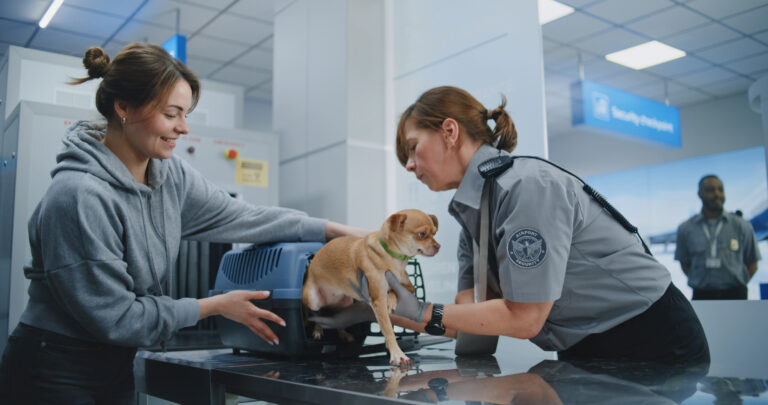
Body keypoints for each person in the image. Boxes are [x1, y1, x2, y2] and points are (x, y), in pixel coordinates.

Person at [0, 43, 368, 404]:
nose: (184, 128)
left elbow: (241, 216)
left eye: (186, 114)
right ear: (123, 107)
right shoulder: (80, 195)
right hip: (54, 365)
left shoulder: (169, 174)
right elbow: (117, 317)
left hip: (115, 361)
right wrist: (214, 306)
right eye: (171, 114)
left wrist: (334, 231)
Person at [312, 86, 710, 365]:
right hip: (585, 344)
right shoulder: (471, 215)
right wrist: (373, 311)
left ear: (449, 132)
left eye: (413, 149)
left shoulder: (526, 188)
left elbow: (523, 318)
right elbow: (471, 322)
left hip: (651, 335)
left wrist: (421, 310)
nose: (410, 166)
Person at [675, 175, 761, 300]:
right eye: (710, 190)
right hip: (701, 295)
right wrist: (702, 281)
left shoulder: (742, 225)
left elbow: (752, 263)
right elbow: (684, 264)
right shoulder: (686, 228)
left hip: (736, 295)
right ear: (700, 194)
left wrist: (738, 283)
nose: (717, 194)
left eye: (720, 189)